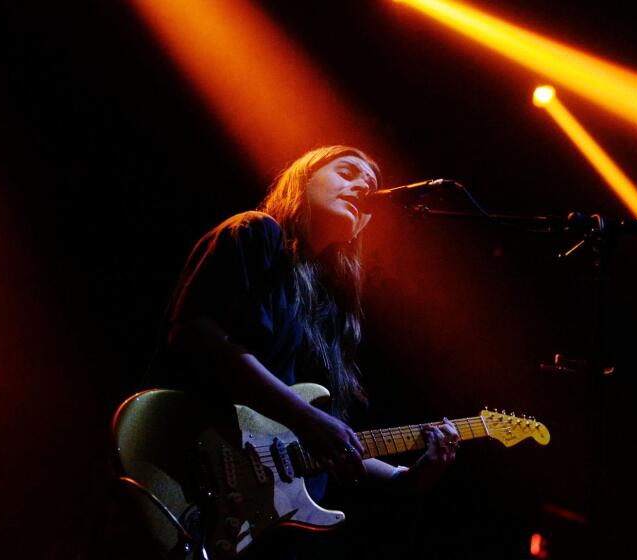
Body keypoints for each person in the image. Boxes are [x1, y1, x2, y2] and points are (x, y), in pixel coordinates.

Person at [147, 145, 458, 527]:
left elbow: (309, 439)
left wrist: (403, 478)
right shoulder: (256, 232)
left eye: (370, 186)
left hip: (240, 515)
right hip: (181, 466)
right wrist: (304, 417)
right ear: (302, 181)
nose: (362, 187)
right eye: (346, 173)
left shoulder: (328, 307)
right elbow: (195, 332)